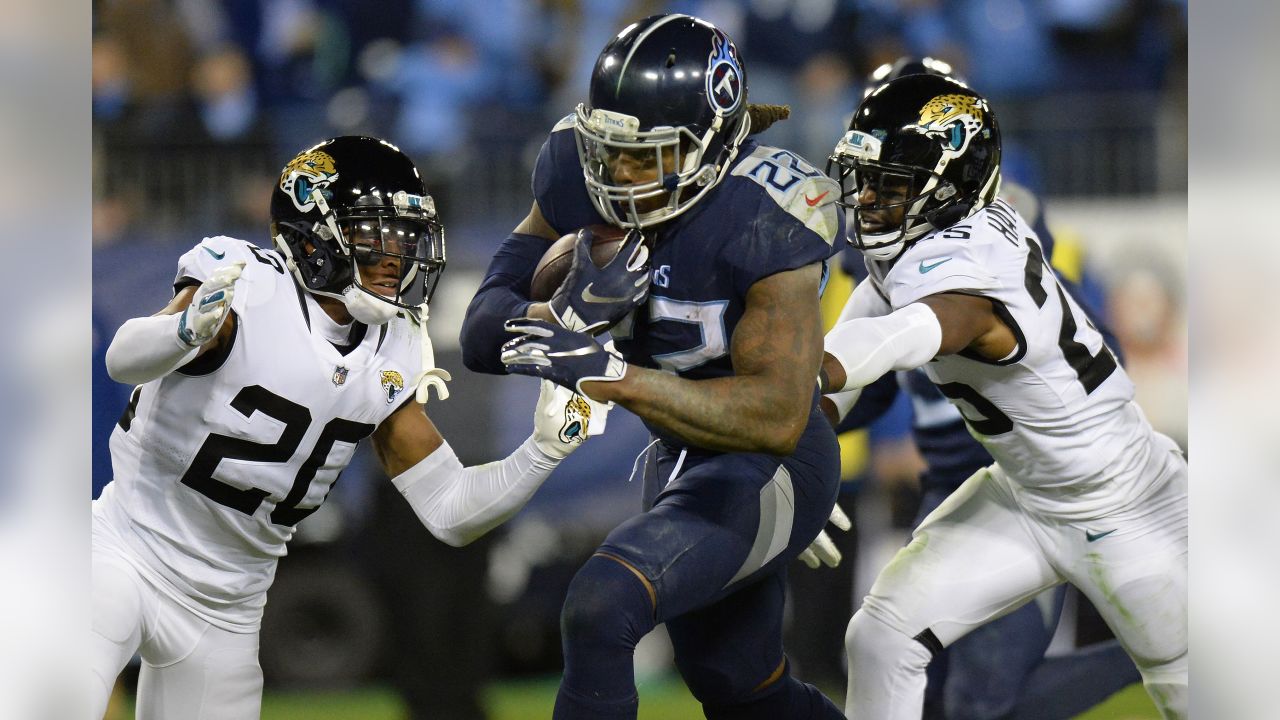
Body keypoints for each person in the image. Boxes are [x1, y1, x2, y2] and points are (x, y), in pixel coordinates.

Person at [90, 135, 601, 720]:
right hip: (124, 550)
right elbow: (122, 358)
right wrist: (183, 332)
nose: (396, 255)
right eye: (373, 232)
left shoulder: (397, 345)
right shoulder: (247, 282)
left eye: (405, 235)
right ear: (314, 235)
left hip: (229, 608)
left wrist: (542, 451)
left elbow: (451, 512)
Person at [460, 14, 849, 720]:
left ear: (712, 143)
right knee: (738, 686)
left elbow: (776, 416)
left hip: (772, 462)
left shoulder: (768, 214)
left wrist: (607, 371)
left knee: (603, 604)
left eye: (647, 156)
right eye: (610, 152)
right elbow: (482, 328)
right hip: (680, 454)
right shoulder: (577, 172)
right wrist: (556, 322)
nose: (619, 174)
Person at [819, 74, 1187, 720]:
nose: (870, 199)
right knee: (880, 638)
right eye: (865, 179)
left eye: (893, 185)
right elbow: (830, 396)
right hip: (1024, 495)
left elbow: (914, 331)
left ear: (951, 186)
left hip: (1127, 507)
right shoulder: (909, 251)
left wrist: (779, 371)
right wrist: (796, 473)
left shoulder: (972, 260)